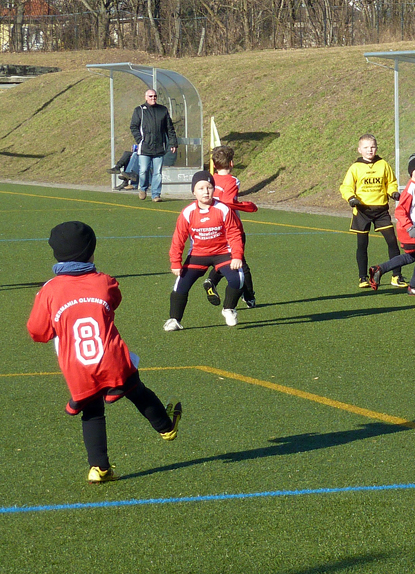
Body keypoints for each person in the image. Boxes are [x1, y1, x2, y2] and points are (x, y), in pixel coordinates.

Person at [27, 221, 183, 484]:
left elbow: (37, 332)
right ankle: (166, 427)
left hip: (77, 366)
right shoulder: (104, 281)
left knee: (92, 411)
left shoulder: (49, 290)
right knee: (136, 390)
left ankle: (99, 468)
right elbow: (115, 300)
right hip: (112, 359)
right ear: (91, 252)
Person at [165, 171, 246, 331]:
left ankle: (229, 309)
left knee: (238, 279)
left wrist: (237, 256)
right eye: (201, 188)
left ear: (214, 189)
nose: (206, 191)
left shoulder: (223, 209)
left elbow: (234, 233)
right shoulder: (188, 212)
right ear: (193, 192)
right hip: (198, 254)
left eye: (209, 187)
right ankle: (174, 320)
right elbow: (178, 238)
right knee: (181, 285)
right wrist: (175, 262)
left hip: (222, 253)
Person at [339, 134, 406, 288]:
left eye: (373, 147)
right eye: (366, 147)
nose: (370, 150)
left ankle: (396, 276)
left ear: (376, 148)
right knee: (362, 245)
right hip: (362, 211)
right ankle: (362, 277)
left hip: (381, 210)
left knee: (392, 242)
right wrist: (351, 198)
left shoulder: (383, 164)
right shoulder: (355, 167)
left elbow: (391, 182)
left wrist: (393, 192)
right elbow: (346, 186)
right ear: (359, 150)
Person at [368, 154, 415, 295]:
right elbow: (400, 212)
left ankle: (380, 269)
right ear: (411, 171)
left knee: (411, 256)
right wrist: (410, 227)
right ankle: (414, 286)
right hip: (411, 231)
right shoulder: (410, 189)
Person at [201, 146, 258, 309]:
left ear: (214, 164)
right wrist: (247, 206)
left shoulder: (210, 180)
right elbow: (228, 202)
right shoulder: (233, 181)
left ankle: (211, 280)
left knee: (224, 258)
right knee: (241, 263)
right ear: (231, 163)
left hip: (213, 225)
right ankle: (249, 297)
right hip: (231, 226)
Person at [129, 89, 177, 203]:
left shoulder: (162, 110)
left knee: (157, 173)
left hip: (159, 147)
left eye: (155, 96)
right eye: (150, 96)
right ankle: (143, 188)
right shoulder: (139, 110)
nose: (153, 98)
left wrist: (173, 143)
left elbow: (169, 128)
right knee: (143, 170)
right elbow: (133, 126)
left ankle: (156, 195)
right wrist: (140, 140)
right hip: (145, 147)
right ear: (146, 97)